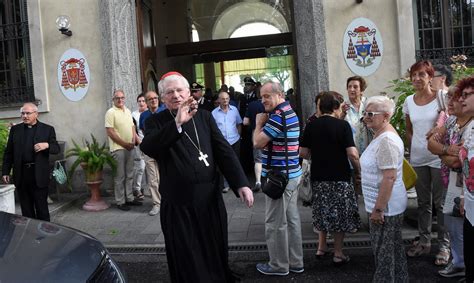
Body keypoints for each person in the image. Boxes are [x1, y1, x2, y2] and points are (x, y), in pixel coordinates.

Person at [140, 71, 254, 282]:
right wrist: (177, 123)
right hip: (179, 203)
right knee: (187, 252)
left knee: (213, 245)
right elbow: (149, 147)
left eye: (179, 90)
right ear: (163, 97)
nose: (176, 95)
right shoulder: (155, 122)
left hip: (209, 198)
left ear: (188, 93)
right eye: (170, 92)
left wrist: (241, 183)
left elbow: (223, 150)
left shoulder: (204, 116)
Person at [300, 91, 361, 266]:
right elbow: (352, 154)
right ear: (336, 107)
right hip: (340, 176)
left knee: (321, 211)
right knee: (339, 215)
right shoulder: (343, 126)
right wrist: (358, 172)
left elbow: (303, 153)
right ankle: (338, 253)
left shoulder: (311, 125)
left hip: (319, 176)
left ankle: (321, 247)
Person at [253, 81, 303, 276]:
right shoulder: (290, 111)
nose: (263, 100)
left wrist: (258, 124)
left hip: (279, 179)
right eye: (261, 96)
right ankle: (296, 262)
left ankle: (279, 265)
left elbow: (257, 143)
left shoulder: (277, 116)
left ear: (279, 94)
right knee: (292, 221)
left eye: (267, 96)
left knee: (275, 224)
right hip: (292, 175)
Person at [403, 60, 450, 265]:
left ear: (431, 77)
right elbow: (409, 130)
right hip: (419, 157)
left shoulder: (442, 98)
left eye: (421, 75)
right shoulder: (408, 101)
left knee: (441, 204)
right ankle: (424, 242)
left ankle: (444, 246)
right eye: (414, 75)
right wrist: (415, 148)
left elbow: (450, 125)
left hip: (439, 157)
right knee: (423, 203)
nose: (417, 79)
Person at [360, 96, 409, 282]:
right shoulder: (381, 134)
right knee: (392, 251)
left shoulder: (386, 140)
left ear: (386, 116)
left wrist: (378, 210)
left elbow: (389, 177)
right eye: (365, 112)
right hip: (386, 204)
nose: (366, 117)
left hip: (385, 208)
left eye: (371, 113)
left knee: (384, 255)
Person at [428, 86, 467, 279]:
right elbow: (430, 143)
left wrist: (442, 152)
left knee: (466, 226)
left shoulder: (471, 126)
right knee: (452, 226)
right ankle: (459, 262)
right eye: (448, 97)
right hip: (450, 182)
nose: (449, 102)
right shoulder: (451, 121)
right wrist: (448, 149)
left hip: (467, 186)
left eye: (455, 97)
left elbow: (456, 162)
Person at [1, 103, 59, 221]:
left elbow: (56, 148)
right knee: (26, 211)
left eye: (28, 113)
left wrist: (46, 145)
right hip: (21, 175)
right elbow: (9, 153)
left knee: (42, 209)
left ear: (36, 114)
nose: (25, 116)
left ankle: (44, 236)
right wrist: (5, 171)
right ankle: (29, 236)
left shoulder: (47, 129)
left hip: (38, 175)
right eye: (23, 113)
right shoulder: (15, 130)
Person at [105, 90, 142, 211]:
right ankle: (120, 201)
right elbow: (110, 132)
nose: (120, 100)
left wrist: (133, 141)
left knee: (130, 174)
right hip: (118, 149)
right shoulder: (110, 112)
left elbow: (132, 127)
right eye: (117, 98)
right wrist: (125, 144)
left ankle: (130, 198)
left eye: (122, 98)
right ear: (113, 100)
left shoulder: (127, 111)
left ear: (124, 98)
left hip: (130, 147)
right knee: (120, 176)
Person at [455, 76, 474, 283]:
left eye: (467, 95)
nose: (461, 100)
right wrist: (463, 195)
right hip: (470, 205)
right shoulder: (470, 127)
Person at [139, 91, 164, 216]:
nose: (153, 100)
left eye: (155, 98)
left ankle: (167, 201)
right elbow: (143, 130)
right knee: (153, 179)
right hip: (150, 151)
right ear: (147, 102)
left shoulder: (165, 112)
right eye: (150, 99)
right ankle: (157, 203)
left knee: (165, 176)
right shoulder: (144, 115)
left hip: (164, 150)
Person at [212, 91, 242, 193]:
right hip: (221, 142)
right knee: (223, 164)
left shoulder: (234, 111)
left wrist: (239, 136)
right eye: (223, 99)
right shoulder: (214, 113)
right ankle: (225, 185)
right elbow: (213, 129)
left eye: (227, 98)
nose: (225, 101)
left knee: (235, 163)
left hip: (235, 140)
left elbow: (239, 124)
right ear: (218, 100)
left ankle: (238, 184)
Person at [342, 76, 369, 154]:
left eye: (355, 87)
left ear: (362, 90)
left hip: (368, 149)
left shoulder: (368, 104)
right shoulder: (342, 106)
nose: (351, 89)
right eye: (349, 87)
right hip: (350, 151)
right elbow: (336, 125)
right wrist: (343, 113)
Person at [243, 97, 265, 192]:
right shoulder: (272, 103)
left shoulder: (252, 105)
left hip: (256, 132)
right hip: (270, 130)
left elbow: (245, 122)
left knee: (258, 158)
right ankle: (269, 181)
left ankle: (258, 181)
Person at [131, 93, 147, 200]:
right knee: (140, 167)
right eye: (139, 101)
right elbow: (133, 130)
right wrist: (138, 140)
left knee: (151, 168)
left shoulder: (150, 113)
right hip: (140, 144)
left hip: (151, 143)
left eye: (143, 101)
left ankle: (148, 188)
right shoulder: (134, 114)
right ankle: (137, 188)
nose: (141, 103)